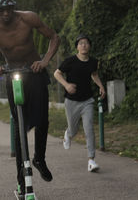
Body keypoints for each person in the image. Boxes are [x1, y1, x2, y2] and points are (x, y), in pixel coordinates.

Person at [0, 0, 60, 197]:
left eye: (9, 8)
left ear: (13, 5)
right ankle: (22, 180)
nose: (6, 13)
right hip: (12, 75)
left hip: (34, 72)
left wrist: (44, 61)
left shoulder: (29, 18)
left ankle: (40, 159)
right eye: (1, 10)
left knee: (42, 120)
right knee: (20, 128)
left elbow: (54, 37)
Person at [53, 34, 106, 172]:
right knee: (74, 129)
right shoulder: (70, 61)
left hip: (87, 101)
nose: (83, 45)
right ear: (77, 47)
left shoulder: (93, 62)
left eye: (86, 43)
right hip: (71, 102)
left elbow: (94, 74)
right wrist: (66, 85)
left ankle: (91, 160)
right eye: (81, 43)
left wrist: (101, 86)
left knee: (89, 129)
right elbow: (57, 73)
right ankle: (68, 134)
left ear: (89, 46)